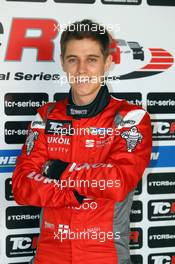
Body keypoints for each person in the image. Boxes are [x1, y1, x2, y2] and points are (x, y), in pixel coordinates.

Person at [12, 19, 152, 264]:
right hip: (49, 256)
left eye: (92, 59)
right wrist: (74, 194)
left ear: (107, 63)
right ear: (63, 63)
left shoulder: (131, 117)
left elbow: (117, 182)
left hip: (105, 255)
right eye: (73, 59)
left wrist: (58, 170)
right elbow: (22, 186)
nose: (81, 70)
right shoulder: (45, 116)